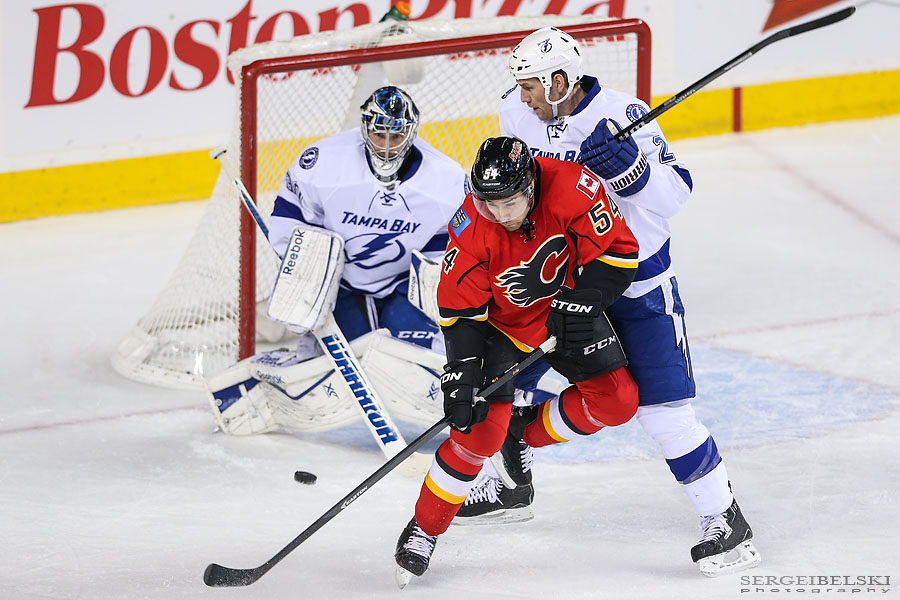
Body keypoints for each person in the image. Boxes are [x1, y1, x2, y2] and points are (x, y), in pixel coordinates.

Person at [455, 27, 760, 576]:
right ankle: (508, 482)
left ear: (558, 80)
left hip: (635, 281)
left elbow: (676, 195)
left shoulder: (626, 113)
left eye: (529, 84)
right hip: (560, 280)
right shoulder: (515, 112)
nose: (521, 95)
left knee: (661, 412)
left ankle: (725, 520)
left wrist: (630, 171)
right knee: (502, 373)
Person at [394, 136, 642, 584]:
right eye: (490, 205)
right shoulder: (471, 225)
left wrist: (586, 299)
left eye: (509, 203)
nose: (501, 216)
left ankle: (522, 432)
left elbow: (620, 253)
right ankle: (424, 529)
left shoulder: (571, 187)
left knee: (617, 402)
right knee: (477, 436)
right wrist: (462, 375)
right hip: (498, 328)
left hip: (562, 310)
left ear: (531, 185)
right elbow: (462, 313)